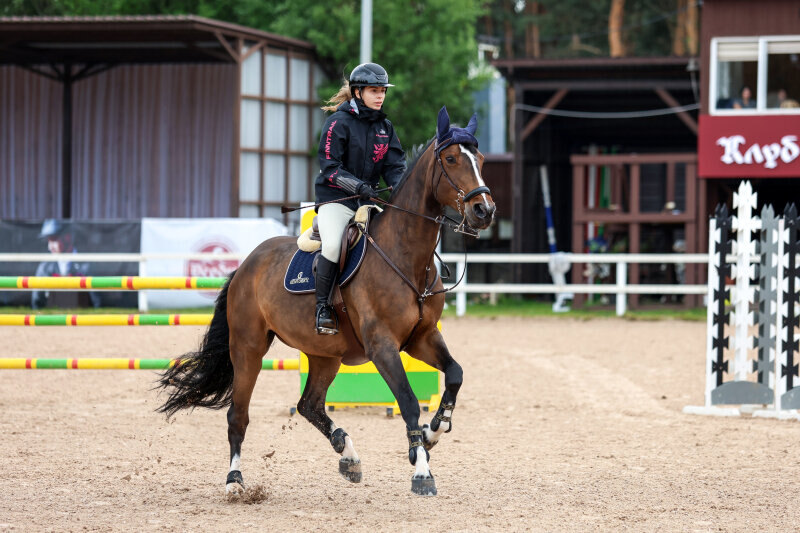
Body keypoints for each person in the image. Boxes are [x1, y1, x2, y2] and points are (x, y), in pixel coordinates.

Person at [312, 62, 406, 334]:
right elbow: (330, 167)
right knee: (332, 246)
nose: (380, 96)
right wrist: (358, 185)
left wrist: (400, 191)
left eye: (383, 91)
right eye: (374, 91)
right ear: (357, 92)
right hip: (336, 201)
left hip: (367, 203)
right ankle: (322, 309)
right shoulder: (337, 123)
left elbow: (395, 167)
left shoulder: (385, 127)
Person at [31, 219, 101, 309]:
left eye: (53, 240)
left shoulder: (86, 264)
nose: (50, 247)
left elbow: (98, 302)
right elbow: (37, 302)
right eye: (48, 241)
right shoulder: (45, 267)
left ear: (67, 237)